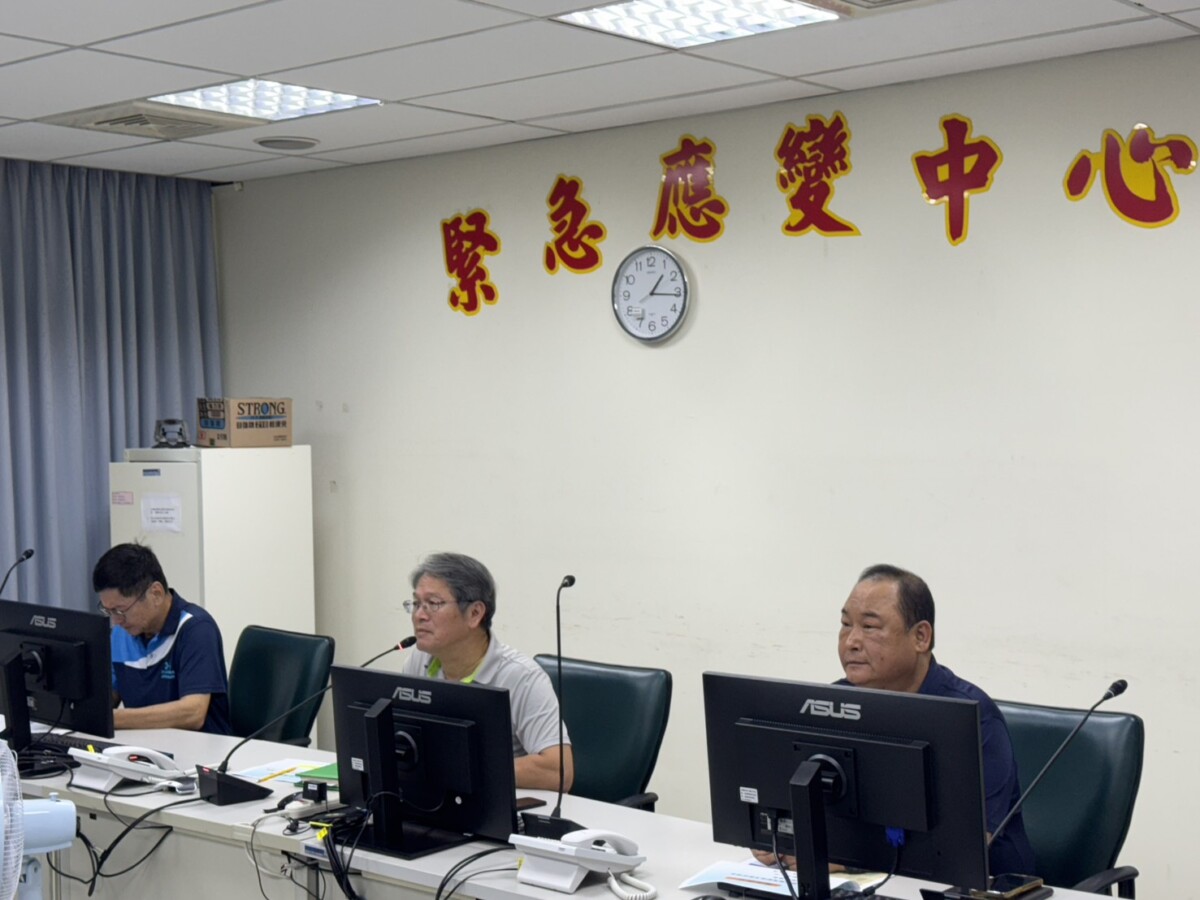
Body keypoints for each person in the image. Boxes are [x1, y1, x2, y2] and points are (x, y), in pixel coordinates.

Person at [757, 564, 1036, 876]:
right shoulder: (833, 705)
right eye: (846, 625)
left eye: (870, 627)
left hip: (982, 886)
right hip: (863, 880)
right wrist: (778, 834)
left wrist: (849, 859)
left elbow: (965, 847)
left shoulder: (973, 718)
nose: (851, 641)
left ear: (921, 637)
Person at [399, 552, 573, 792]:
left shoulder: (521, 677)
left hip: (497, 803)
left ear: (475, 614)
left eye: (434, 603)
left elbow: (558, 772)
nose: (419, 615)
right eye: (416, 603)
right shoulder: (419, 662)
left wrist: (463, 768)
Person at [92, 543, 231, 734]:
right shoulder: (121, 634)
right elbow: (107, 699)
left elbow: (193, 712)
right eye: (108, 611)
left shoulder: (196, 629)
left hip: (199, 746)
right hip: (142, 745)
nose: (116, 620)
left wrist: (112, 718)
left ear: (155, 594)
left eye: (120, 610)